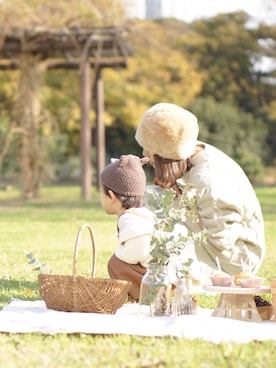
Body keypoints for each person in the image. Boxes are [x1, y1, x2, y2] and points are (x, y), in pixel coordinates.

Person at [135, 102, 266, 283]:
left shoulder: (208, 178)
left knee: (155, 210)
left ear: (165, 154)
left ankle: (172, 273)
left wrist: (181, 215)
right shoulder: (190, 156)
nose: (144, 153)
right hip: (215, 245)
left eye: (149, 148)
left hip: (234, 261)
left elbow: (222, 239)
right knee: (146, 199)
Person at [100, 154, 155, 301]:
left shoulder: (129, 218)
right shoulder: (143, 214)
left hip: (160, 278)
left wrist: (121, 255)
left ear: (111, 196)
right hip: (169, 274)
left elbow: (139, 248)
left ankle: (145, 295)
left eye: (101, 193)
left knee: (116, 264)